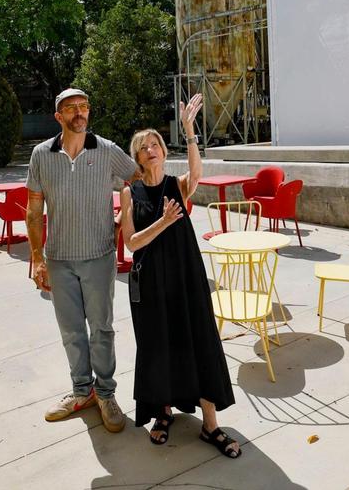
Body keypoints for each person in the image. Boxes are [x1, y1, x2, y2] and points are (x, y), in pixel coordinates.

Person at [119, 93, 242, 459]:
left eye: (156, 143)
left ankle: (210, 424)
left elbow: (198, 172)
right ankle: (163, 413)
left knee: (199, 341)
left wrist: (189, 131)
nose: (151, 149)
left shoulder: (178, 184)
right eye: (144, 147)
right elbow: (131, 243)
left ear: (163, 151)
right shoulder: (130, 193)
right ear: (137, 157)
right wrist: (163, 222)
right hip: (151, 283)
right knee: (158, 347)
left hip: (186, 277)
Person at [26, 87, 139, 433]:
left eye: (84, 106)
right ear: (58, 116)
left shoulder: (107, 150)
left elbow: (139, 180)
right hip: (59, 260)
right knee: (71, 331)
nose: (79, 112)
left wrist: (124, 218)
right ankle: (81, 392)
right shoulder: (41, 155)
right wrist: (37, 257)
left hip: (99, 257)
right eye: (71, 108)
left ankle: (105, 394)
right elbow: (34, 209)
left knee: (101, 329)